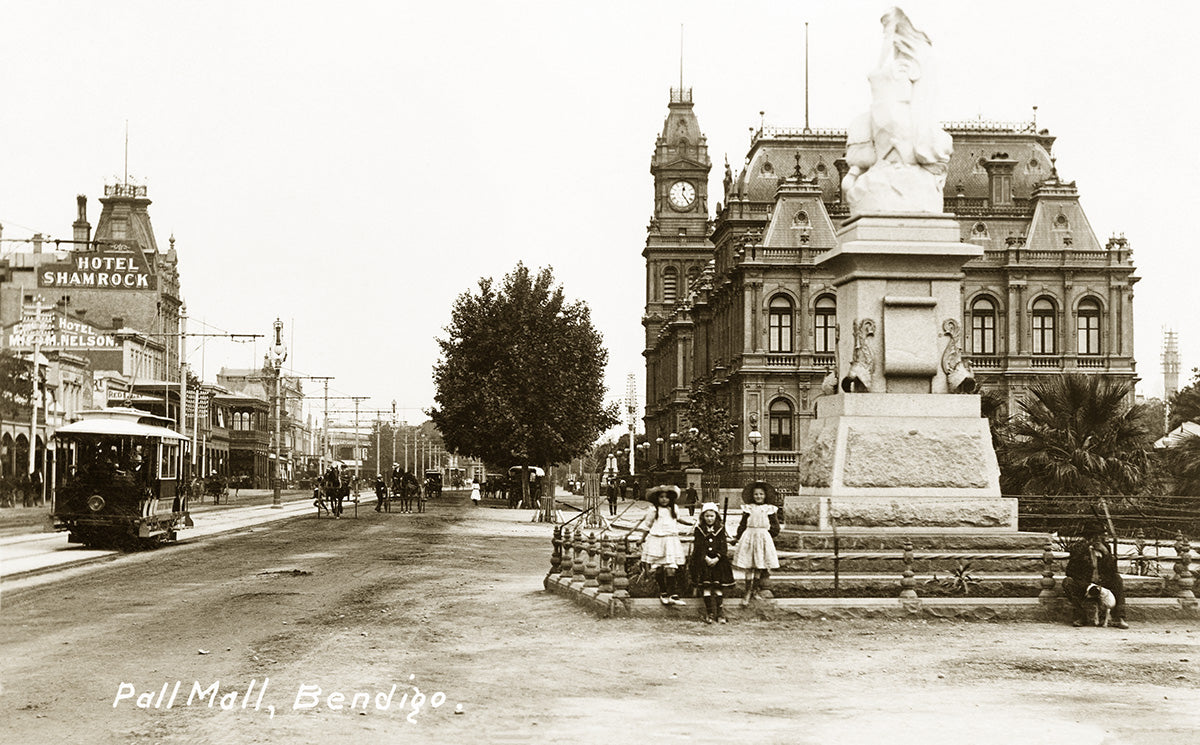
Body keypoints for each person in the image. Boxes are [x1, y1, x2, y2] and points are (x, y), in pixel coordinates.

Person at [632, 485, 692, 606]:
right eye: (661, 497)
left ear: (671, 499)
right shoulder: (653, 510)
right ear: (657, 498)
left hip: (670, 540)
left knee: (671, 567)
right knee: (658, 567)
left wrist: (689, 523)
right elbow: (647, 526)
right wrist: (642, 539)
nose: (664, 499)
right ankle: (663, 592)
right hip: (657, 540)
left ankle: (672, 594)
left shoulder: (674, 508)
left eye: (667, 497)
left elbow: (678, 519)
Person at [1062, 522, 1129, 629]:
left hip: (1103, 582)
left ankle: (1118, 617)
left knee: (1117, 579)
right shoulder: (1078, 548)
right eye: (1096, 536)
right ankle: (1081, 616)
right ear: (1089, 537)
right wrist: (1085, 550)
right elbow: (1070, 571)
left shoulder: (1106, 547)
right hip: (1085, 583)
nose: (1100, 538)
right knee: (1067, 582)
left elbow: (1113, 571)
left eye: (1101, 536)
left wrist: (1106, 554)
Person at [732, 481, 781, 606]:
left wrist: (766, 536)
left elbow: (775, 527)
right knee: (749, 565)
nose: (758, 496)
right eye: (756, 494)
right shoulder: (749, 508)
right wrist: (737, 537)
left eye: (761, 494)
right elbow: (743, 524)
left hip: (762, 537)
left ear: (765, 496)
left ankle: (755, 590)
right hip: (749, 536)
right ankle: (747, 592)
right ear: (752, 496)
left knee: (759, 565)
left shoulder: (769, 509)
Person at [690, 502, 735, 623]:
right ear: (703, 517)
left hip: (718, 563)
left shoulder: (720, 529)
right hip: (703, 563)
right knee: (706, 587)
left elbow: (723, 546)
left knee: (717, 588)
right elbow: (698, 546)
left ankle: (720, 613)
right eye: (707, 516)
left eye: (712, 516)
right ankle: (709, 613)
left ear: (716, 516)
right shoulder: (699, 530)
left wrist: (717, 558)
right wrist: (706, 558)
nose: (709, 519)